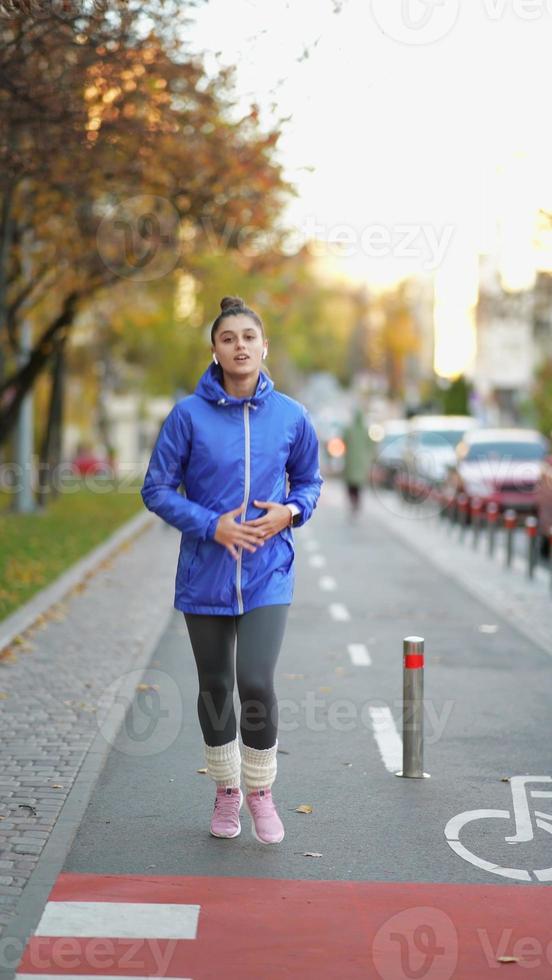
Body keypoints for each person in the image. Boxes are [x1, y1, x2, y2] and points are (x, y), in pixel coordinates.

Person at [140, 295, 323, 845]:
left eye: (249, 337)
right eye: (228, 338)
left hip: (269, 570)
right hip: (206, 573)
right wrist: (209, 525)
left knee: (256, 681)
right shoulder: (187, 416)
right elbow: (155, 489)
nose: (239, 346)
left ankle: (261, 792)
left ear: (264, 347)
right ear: (215, 350)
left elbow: (310, 482)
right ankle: (225, 793)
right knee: (216, 686)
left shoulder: (292, 416)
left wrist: (288, 513)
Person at [342, 406, 371, 517]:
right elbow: (371, 445)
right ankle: (356, 501)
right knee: (358, 485)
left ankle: (353, 500)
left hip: (350, 462)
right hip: (361, 463)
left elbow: (344, 441)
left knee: (350, 484)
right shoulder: (365, 430)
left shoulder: (349, 430)